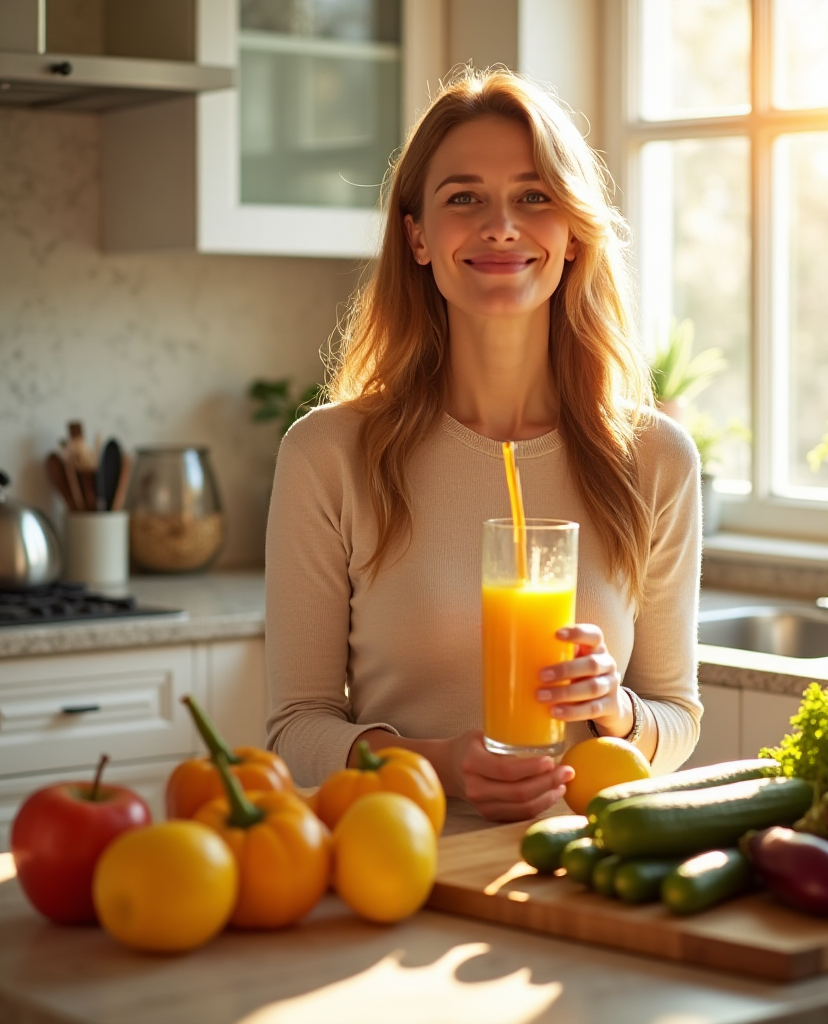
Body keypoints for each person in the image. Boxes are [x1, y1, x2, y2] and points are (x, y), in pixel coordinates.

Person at [265, 67, 702, 828]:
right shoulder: (327, 455)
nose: (500, 226)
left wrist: (617, 709)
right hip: (405, 860)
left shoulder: (655, 458)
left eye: (534, 197)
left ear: (572, 235)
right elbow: (295, 730)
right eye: (463, 198)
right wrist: (441, 766)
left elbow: (678, 719)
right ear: (418, 236)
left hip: (579, 869)